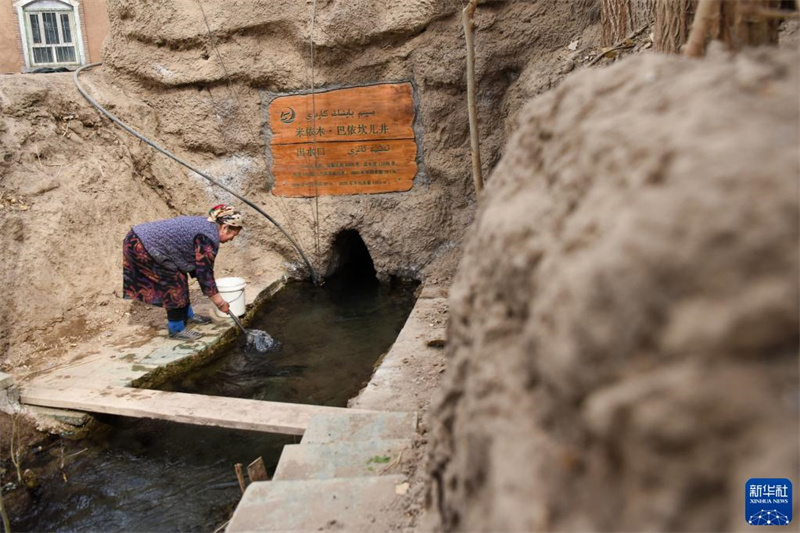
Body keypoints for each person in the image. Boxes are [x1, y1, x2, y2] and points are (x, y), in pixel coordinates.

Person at [122, 204, 243, 340]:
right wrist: (220, 303)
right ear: (225, 227)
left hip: (142, 239)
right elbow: (205, 274)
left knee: (179, 278)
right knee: (175, 285)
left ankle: (187, 316)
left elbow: (199, 268)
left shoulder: (209, 227)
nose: (231, 239)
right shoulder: (208, 237)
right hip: (142, 245)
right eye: (233, 235)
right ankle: (176, 329)